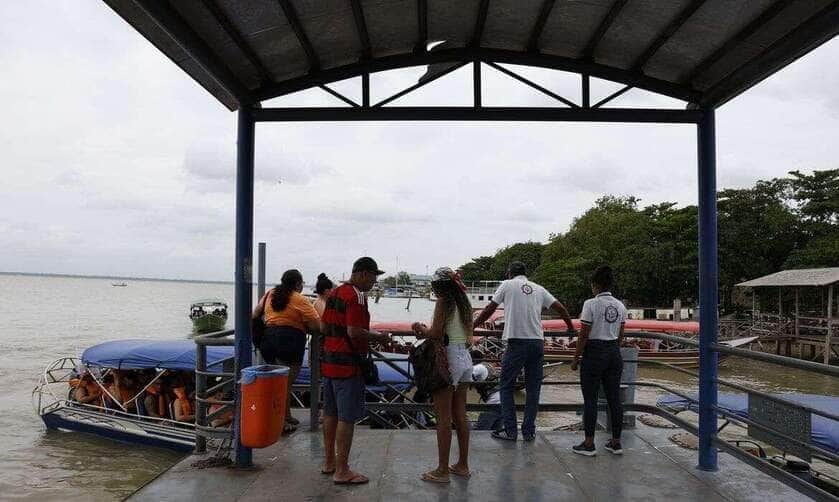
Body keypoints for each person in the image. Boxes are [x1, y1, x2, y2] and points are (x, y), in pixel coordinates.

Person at [473, 261, 575, 441]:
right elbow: (561, 308)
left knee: (505, 386)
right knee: (533, 389)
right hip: (537, 342)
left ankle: (510, 431)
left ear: (510, 272)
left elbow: (490, 309)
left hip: (516, 342)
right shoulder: (538, 288)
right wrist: (570, 328)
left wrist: (472, 326)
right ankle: (528, 431)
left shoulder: (507, 285)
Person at [320, 257, 390, 485]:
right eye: (372, 276)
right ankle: (342, 470)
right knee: (346, 418)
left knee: (330, 414)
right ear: (361, 274)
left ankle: (329, 462)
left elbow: (322, 327)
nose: (374, 282)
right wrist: (379, 337)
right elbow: (354, 331)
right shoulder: (357, 296)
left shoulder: (334, 293)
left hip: (329, 361)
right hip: (348, 365)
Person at [411, 267, 473, 483]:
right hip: (465, 359)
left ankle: (442, 470)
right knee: (460, 415)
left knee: (443, 418)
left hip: (448, 360)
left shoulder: (443, 301)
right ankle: (462, 465)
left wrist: (420, 328)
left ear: (439, 285)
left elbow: (436, 333)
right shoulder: (463, 302)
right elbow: (461, 332)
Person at [253, 269, 321, 434]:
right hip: (290, 342)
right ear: (298, 284)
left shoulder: (270, 294)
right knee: (284, 383)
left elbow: (255, 314)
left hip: (268, 341)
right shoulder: (300, 299)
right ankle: (281, 422)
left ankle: (286, 415)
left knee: (280, 382)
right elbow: (317, 326)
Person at [570, 265, 627, 456]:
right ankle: (616, 442)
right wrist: (612, 349)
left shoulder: (590, 304)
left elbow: (583, 335)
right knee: (614, 399)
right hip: (613, 353)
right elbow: (621, 335)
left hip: (594, 353)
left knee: (591, 399)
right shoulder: (620, 306)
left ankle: (588, 444)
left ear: (595, 285)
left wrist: (576, 358)